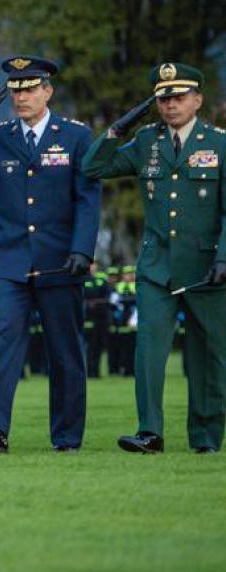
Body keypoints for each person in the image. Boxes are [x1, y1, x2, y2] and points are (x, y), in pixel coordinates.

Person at [0, 56, 101, 453]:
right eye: (15, 90)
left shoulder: (75, 136)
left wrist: (82, 249)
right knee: (2, 345)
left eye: (30, 88)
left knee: (65, 351)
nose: (22, 97)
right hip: (9, 261)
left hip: (59, 260)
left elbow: (88, 199)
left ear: (48, 91)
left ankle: (67, 437)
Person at [82, 62, 226, 454]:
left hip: (208, 267)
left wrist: (225, 258)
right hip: (157, 267)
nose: (171, 105)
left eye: (179, 97)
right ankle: (150, 432)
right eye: (163, 99)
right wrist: (119, 127)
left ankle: (206, 438)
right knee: (148, 350)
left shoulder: (219, 144)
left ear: (197, 100)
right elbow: (93, 166)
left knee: (208, 355)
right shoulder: (147, 141)